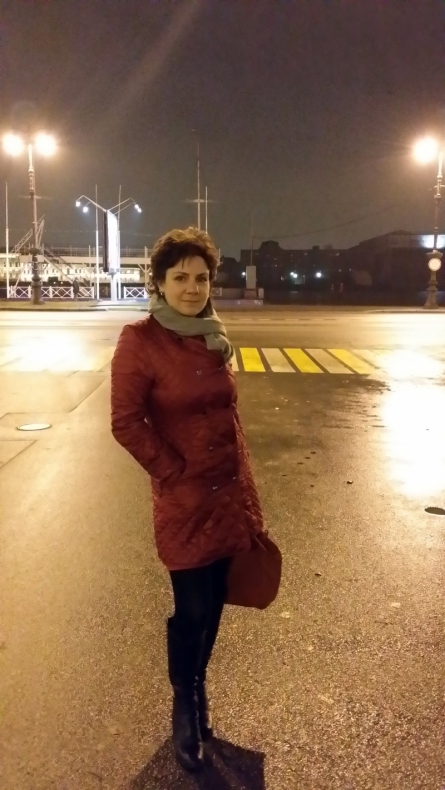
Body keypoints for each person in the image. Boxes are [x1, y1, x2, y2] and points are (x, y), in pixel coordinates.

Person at [110, 227, 264, 773]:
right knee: (192, 607)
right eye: (180, 278)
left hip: (226, 491)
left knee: (216, 600)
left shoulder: (214, 335)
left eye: (201, 278)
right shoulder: (140, 340)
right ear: (158, 282)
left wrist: (244, 485)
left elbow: (227, 416)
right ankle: (183, 702)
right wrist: (171, 472)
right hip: (184, 496)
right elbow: (126, 421)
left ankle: (199, 689)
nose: (193, 288)